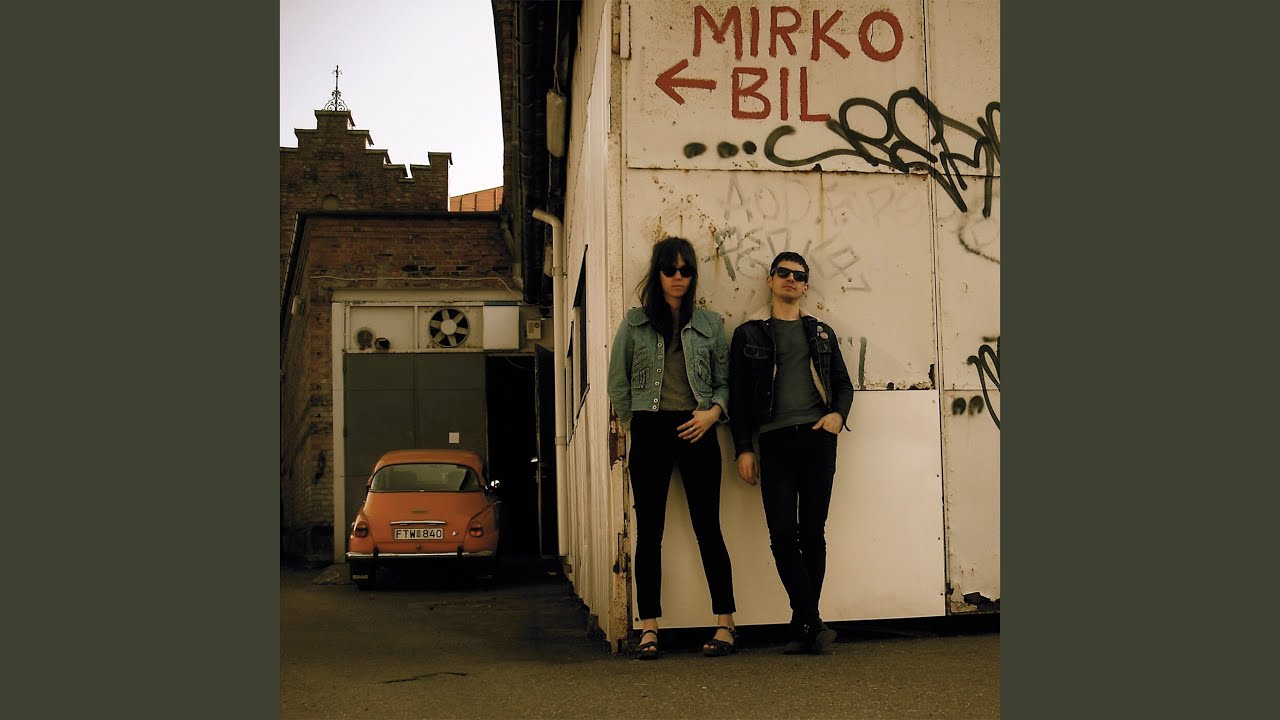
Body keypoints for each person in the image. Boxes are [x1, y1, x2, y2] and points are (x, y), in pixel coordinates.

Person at [606, 236, 739, 659]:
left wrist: (712, 413)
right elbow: (617, 380)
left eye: (686, 270)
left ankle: (725, 623)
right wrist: (635, 425)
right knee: (650, 532)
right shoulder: (635, 323)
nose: (678, 277)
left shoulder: (710, 324)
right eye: (670, 269)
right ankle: (649, 627)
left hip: (698, 427)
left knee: (708, 527)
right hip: (650, 429)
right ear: (657, 273)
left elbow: (725, 382)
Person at [729, 251, 855, 655]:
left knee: (813, 532)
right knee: (782, 533)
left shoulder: (821, 333)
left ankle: (803, 625)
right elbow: (738, 398)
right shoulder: (749, 334)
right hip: (775, 441)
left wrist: (837, 416)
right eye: (782, 273)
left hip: (818, 439)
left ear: (805, 287)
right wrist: (744, 448)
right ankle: (811, 622)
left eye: (798, 276)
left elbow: (843, 384)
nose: (790, 279)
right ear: (770, 280)